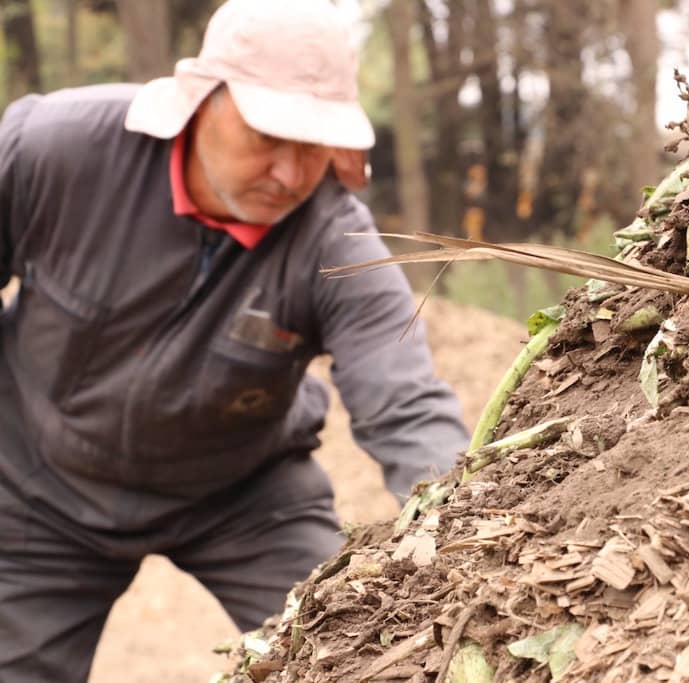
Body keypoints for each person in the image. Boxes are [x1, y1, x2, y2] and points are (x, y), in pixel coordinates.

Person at [0, 0, 469, 680]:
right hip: (37, 486)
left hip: (242, 497)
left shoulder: (337, 242)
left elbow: (407, 403)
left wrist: (469, 531)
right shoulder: (55, 148)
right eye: (268, 137)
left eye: (313, 146)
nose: (289, 172)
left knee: (359, 654)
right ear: (201, 100)